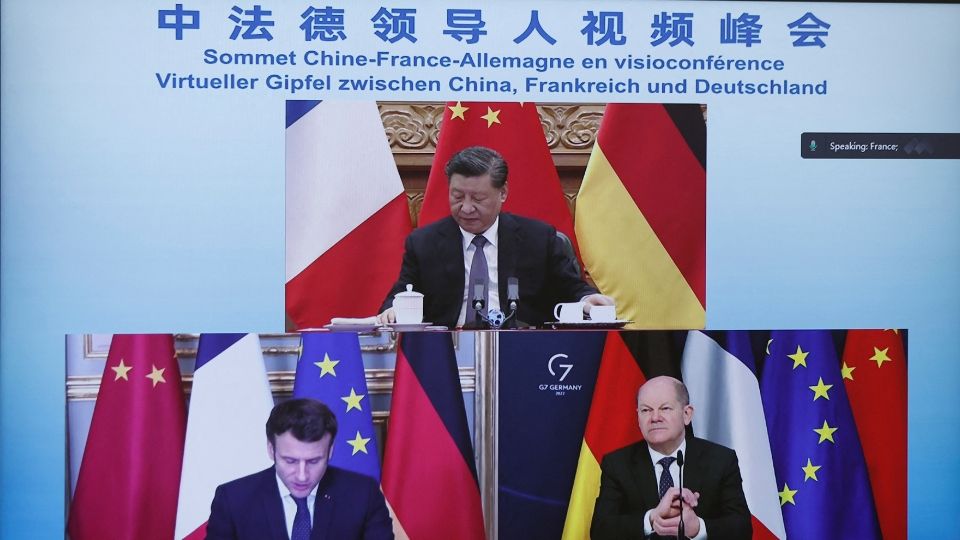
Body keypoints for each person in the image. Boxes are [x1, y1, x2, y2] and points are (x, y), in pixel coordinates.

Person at [377, 146, 613, 328]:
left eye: (478, 199)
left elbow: (572, 289)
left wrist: (587, 299)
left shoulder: (538, 238)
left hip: (525, 351)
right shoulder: (423, 242)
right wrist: (392, 311)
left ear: (503, 193)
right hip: (447, 354)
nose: (466, 208)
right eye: (457, 196)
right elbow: (400, 295)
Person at [205, 398, 393, 540]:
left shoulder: (363, 495)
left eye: (313, 461)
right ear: (271, 449)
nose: (302, 476)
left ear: (330, 452)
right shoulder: (233, 499)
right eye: (290, 461)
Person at [591, 376, 751, 540]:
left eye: (665, 408)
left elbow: (742, 528)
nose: (654, 418)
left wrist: (697, 528)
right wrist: (651, 519)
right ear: (638, 417)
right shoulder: (618, 464)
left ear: (687, 414)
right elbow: (600, 530)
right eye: (646, 410)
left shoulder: (720, 460)